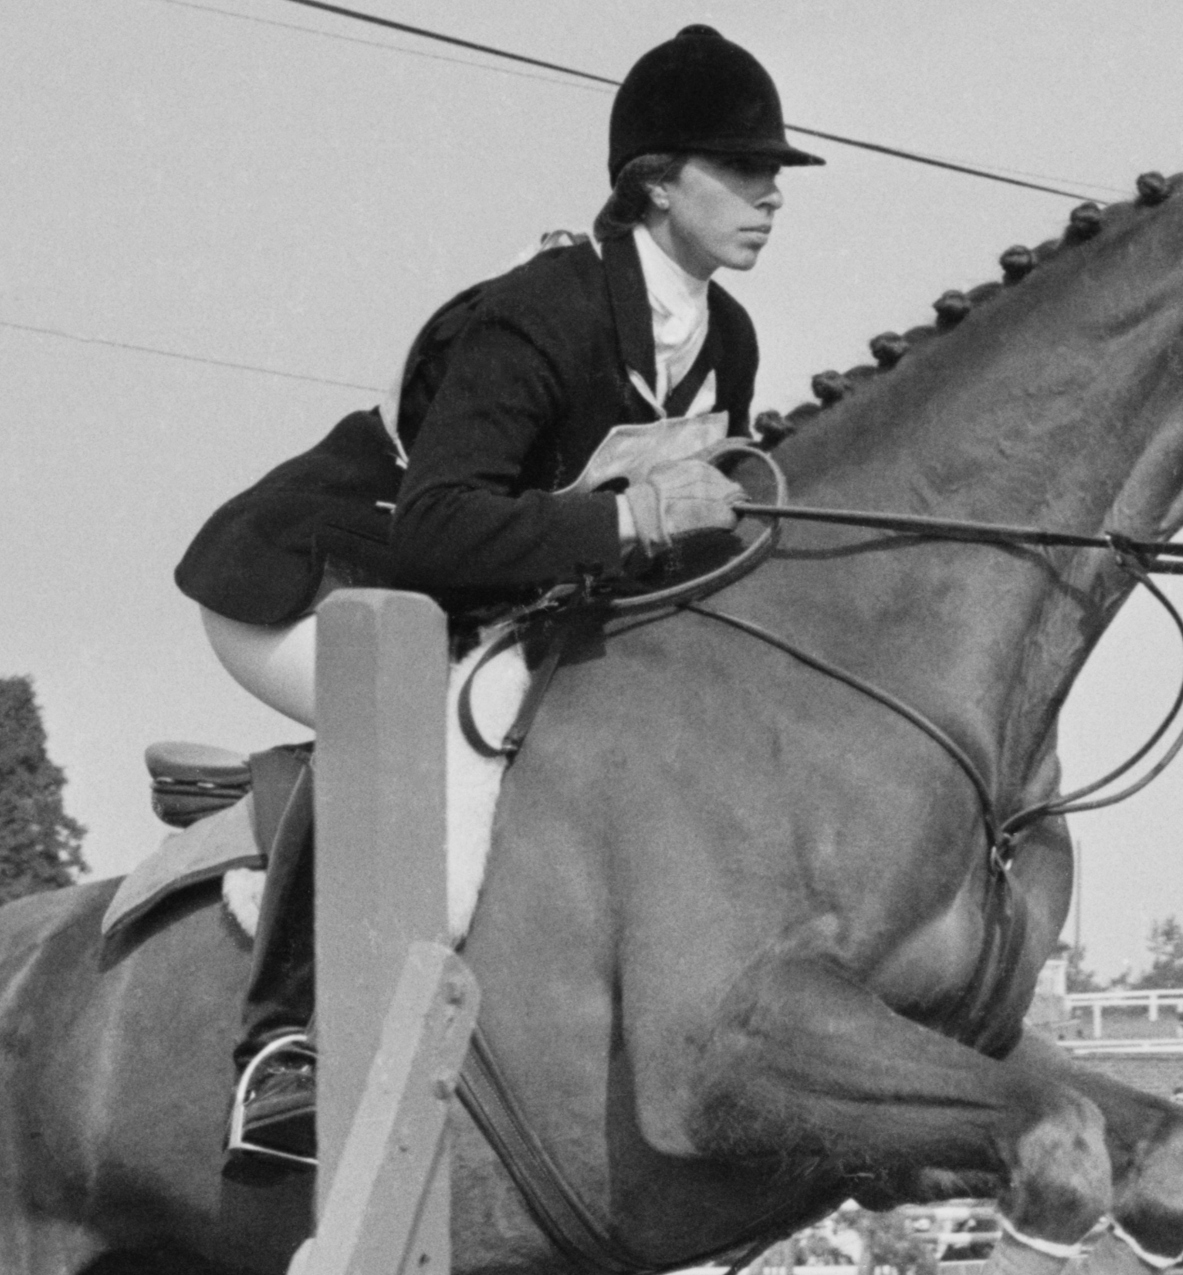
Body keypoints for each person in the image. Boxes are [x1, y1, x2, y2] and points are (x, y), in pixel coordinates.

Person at [180, 24, 815, 1168]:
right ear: (657, 181)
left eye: (774, 173)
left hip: (474, 602)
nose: (770, 194)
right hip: (316, 581)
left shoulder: (724, 336)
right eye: (743, 169)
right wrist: (626, 521)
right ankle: (281, 1052)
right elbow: (437, 526)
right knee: (408, 713)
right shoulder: (541, 311)